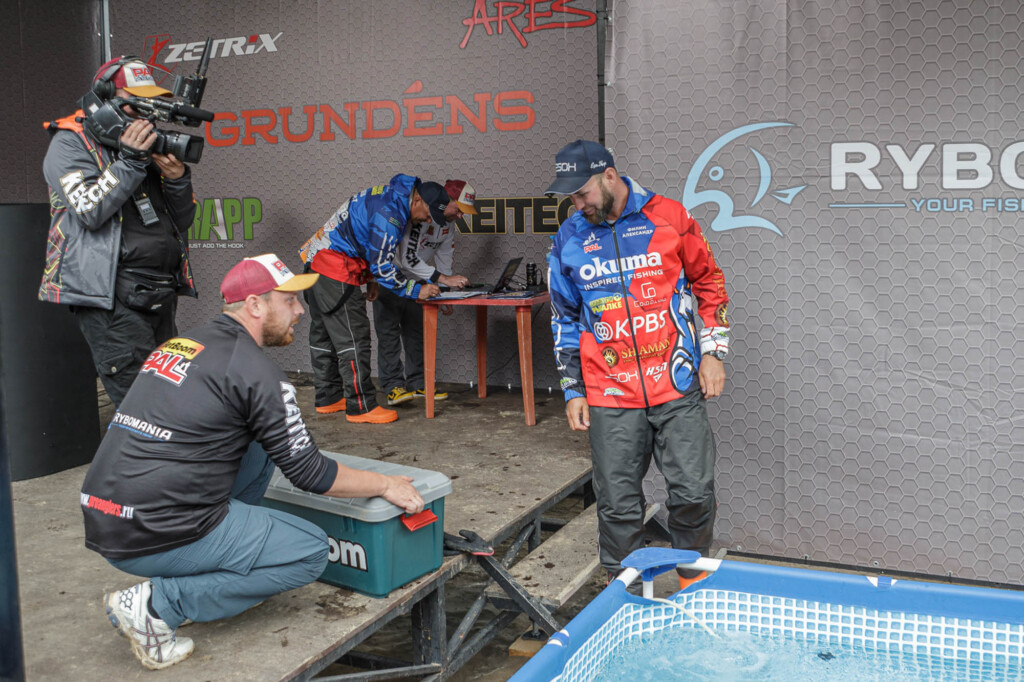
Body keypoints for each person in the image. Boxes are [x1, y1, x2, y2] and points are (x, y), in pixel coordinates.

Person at [80, 253, 425, 670]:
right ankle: (157, 606)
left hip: (105, 514)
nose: (300, 310)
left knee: (261, 444)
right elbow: (311, 473)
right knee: (310, 551)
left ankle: (222, 556)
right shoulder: (256, 372)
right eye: (289, 300)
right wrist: (386, 484)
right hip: (151, 531)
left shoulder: (184, 344)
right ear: (255, 305)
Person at [545, 140, 730, 590]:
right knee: (617, 504)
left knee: (694, 493)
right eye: (571, 197)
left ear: (609, 176)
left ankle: (692, 588)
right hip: (609, 390)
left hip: (676, 382)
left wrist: (712, 352)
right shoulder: (569, 237)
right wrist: (573, 388)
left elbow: (709, 281)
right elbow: (563, 317)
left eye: (583, 193)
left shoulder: (670, 217)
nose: (578, 204)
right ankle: (622, 597)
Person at [39, 56, 198, 408]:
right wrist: (130, 161)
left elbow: (182, 221)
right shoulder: (70, 143)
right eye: (137, 103)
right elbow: (89, 209)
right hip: (111, 296)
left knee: (168, 401)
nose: (146, 115)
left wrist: (177, 180)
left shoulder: (144, 147)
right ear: (104, 98)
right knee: (143, 409)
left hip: (159, 289)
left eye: (151, 105)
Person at [298, 175, 450, 423]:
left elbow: (365, 243)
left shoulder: (389, 198)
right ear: (417, 200)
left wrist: (370, 279)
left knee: (323, 336)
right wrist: (416, 290)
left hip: (315, 264)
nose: (428, 220)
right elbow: (382, 265)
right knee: (355, 339)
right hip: (336, 270)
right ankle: (361, 407)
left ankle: (328, 398)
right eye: (428, 213)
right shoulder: (391, 215)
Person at [373, 179, 477, 406]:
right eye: (458, 209)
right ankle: (393, 386)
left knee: (416, 333)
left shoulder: (448, 225)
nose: (460, 215)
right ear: (445, 200)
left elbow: (444, 261)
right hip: (391, 276)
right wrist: (443, 280)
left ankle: (418, 384)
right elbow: (407, 259)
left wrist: (446, 292)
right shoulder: (420, 216)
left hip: (419, 281)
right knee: (389, 333)